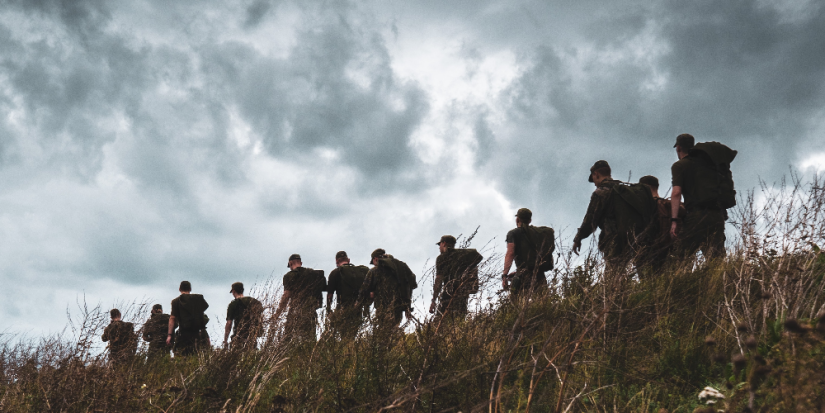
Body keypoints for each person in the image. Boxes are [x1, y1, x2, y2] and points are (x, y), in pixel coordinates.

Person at [572, 161, 655, 278]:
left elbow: (590, 220)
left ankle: (618, 296)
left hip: (615, 241)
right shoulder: (624, 189)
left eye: (594, 179)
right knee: (645, 274)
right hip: (636, 237)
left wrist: (578, 238)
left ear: (596, 174)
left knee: (613, 277)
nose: (595, 184)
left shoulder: (601, 193)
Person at [670, 134, 730, 259]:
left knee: (681, 258)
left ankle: (681, 278)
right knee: (716, 259)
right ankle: (723, 279)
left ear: (678, 147)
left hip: (696, 216)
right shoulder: (708, 165)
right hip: (716, 215)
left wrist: (674, 221)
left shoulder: (680, 166)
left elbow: (676, 193)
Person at [637, 175, 686, 277]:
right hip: (672, 251)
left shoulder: (645, 209)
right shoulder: (672, 207)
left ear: (645, 187)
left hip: (648, 254)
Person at [358, 249, 417, 332]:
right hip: (399, 307)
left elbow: (364, 290)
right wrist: (407, 306)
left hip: (383, 308)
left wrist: (358, 305)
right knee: (394, 329)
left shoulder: (375, 271)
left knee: (384, 333)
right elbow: (411, 284)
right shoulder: (400, 268)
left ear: (375, 259)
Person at [273, 254, 326, 344]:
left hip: (295, 311)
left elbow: (286, 296)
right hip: (310, 311)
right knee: (310, 340)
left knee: (288, 339)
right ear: (301, 263)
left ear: (290, 264)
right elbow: (324, 287)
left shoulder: (289, 276)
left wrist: (277, 313)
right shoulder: (313, 274)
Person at [502, 209, 552, 298]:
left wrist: (505, 275)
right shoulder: (536, 234)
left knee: (515, 305)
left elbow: (510, 253)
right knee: (542, 303)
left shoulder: (513, 233)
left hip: (522, 275)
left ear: (517, 219)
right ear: (530, 221)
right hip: (539, 274)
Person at [430, 235, 481, 320]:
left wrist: (434, 300)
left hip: (448, 294)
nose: (439, 248)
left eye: (440, 245)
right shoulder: (465, 255)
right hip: (463, 294)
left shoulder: (442, 258)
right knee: (459, 319)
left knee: (440, 320)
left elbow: (438, 280)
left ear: (444, 243)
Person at [326, 251, 370, 339]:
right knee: (353, 334)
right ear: (348, 260)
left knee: (344, 335)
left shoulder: (335, 273)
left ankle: (347, 350)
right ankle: (351, 349)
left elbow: (330, 295)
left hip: (343, 308)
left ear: (337, 261)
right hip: (358, 308)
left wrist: (329, 310)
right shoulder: (360, 272)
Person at [167, 281, 210, 357]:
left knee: (182, 355)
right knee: (198, 356)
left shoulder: (176, 301)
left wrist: (170, 335)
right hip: (198, 333)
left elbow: (172, 318)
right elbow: (205, 307)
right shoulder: (198, 299)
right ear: (190, 289)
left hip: (183, 333)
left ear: (179, 289)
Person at [224, 282, 264, 350]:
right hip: (252, 336)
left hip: (239, 335)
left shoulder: (233, 304)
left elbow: (229, 323)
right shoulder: (254, 302)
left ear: (233, 291)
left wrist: (225, 340)